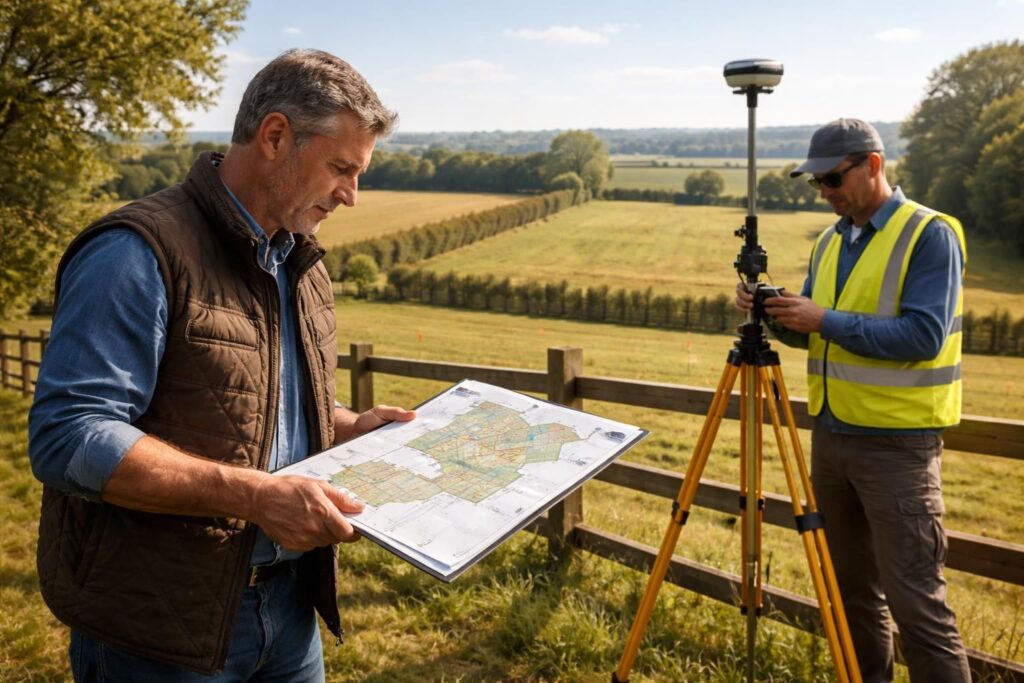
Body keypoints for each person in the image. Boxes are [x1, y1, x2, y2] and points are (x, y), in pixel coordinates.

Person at [28, 49, 415, 680]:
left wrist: (345, 427)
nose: (352, 195)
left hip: (290, 613)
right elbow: (68, 435)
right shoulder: (137, 251)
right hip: (159, 625)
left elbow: (257, 404)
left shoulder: (298, 259)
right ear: (275, 136)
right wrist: (256, 496)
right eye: (343, 168)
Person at [735, 118, 971, 682]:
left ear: (872, 165)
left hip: (898, 449)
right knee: (852, 601)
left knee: (918, 608)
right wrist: (777, 313)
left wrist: (825, 318)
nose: (825, 194)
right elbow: (821, 332)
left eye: (834, 179)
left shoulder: (929, 234)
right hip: (833, 439)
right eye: (816, 183)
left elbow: (922, 336)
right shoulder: (832, 240)